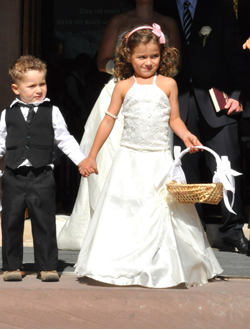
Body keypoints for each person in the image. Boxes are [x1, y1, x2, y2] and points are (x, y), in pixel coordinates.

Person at [75, 24, 223, 288]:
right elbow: (108, 121)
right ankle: (121, 263)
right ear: (128, 57)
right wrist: (92, 155)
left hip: (158, 159)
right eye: (141, 57)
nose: (148, 62)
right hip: (129, 160)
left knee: (163, 210)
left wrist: (187, 135)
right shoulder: (122, 86)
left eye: (154, 56)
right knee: (126, 209)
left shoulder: (168, 84)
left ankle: (162, 265)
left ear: (162, 55)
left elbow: (174, 118)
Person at [57, 0, 181, 250]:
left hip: (153, 99)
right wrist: (126, 71)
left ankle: (149, 231)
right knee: (112, 160)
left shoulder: (168, 23)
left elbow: (175, 64)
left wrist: (151, 78)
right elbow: (102, 61)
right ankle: (111, 228)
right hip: (120, 90)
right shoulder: (118, 21)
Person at [0, 55, 85, 282]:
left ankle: (47, 267)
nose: (38, 89)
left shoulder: (52, 111)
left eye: (42, 84)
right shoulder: (8, 114)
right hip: (13, 175)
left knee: (44, 221)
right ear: (16, 88)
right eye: (32, 85)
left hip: (43, 175)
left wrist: (81, 160)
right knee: (11, 221)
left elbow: (65, 139)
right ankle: (12, 266)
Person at [154, 0, 249, 254]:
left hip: (219, 98)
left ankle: (232, 231)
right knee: (184, 169)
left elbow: (235, 53)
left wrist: (238, 94)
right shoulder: (161, 7)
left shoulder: (219, 6)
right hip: (176, 101)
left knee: (226, 164)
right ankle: (192, 233)